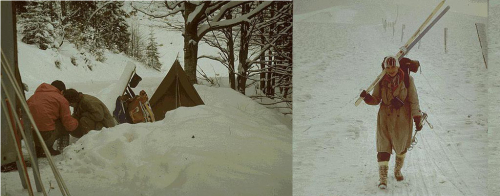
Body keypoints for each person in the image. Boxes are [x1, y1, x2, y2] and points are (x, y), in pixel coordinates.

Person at [359, 56, 423, 189]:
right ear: (384, 68)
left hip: (402, 118)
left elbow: (413, 100)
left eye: (393, 67)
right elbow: (376, 99)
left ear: (398, 66)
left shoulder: (407, 80)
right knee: (383, 146)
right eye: (387, 67)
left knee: (401, 146)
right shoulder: (380, 80)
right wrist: (367, 98)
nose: (391, 70)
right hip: (385, 117)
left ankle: (397, 169)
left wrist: (417, 117)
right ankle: (383, 178)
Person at [27, 80, 78, 157]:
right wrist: (76, 122)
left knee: (42, 120)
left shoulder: (33, 97)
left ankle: (38, 149)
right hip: (46, 136)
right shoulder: (61, 99)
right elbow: (68, 124)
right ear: (62, 91)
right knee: (64, 124)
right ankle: (59, 148)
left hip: (31, 136)